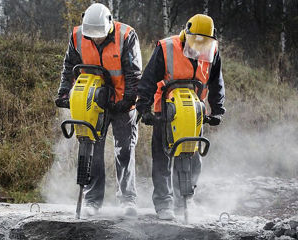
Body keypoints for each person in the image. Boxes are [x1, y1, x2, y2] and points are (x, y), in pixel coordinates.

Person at [55, 3, 142, 216]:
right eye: (92, 36)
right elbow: (69, 67)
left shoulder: (126, 35)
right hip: (92, 101)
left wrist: (128, 101)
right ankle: (92, 201)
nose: (96, 39)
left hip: (122, 102)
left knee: (125, 150)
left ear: (109, 25)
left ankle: (127, 200)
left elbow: (133, 73)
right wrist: (64, 92)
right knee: (91, 149)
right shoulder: (77, 36)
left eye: (99, 35)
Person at [136, 14, 226, 220]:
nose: (199, 47)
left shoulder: (212, 51)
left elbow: (216, 83)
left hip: (194, 113)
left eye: (204, 43)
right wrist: (144, 108)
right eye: (196, 42)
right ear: (187, 34)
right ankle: (163, 203)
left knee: (192, 158)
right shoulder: (167, 48)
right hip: (165, 111)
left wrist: (218, 110)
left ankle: (185, 200)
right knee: (162, 159)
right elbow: (148, 79)